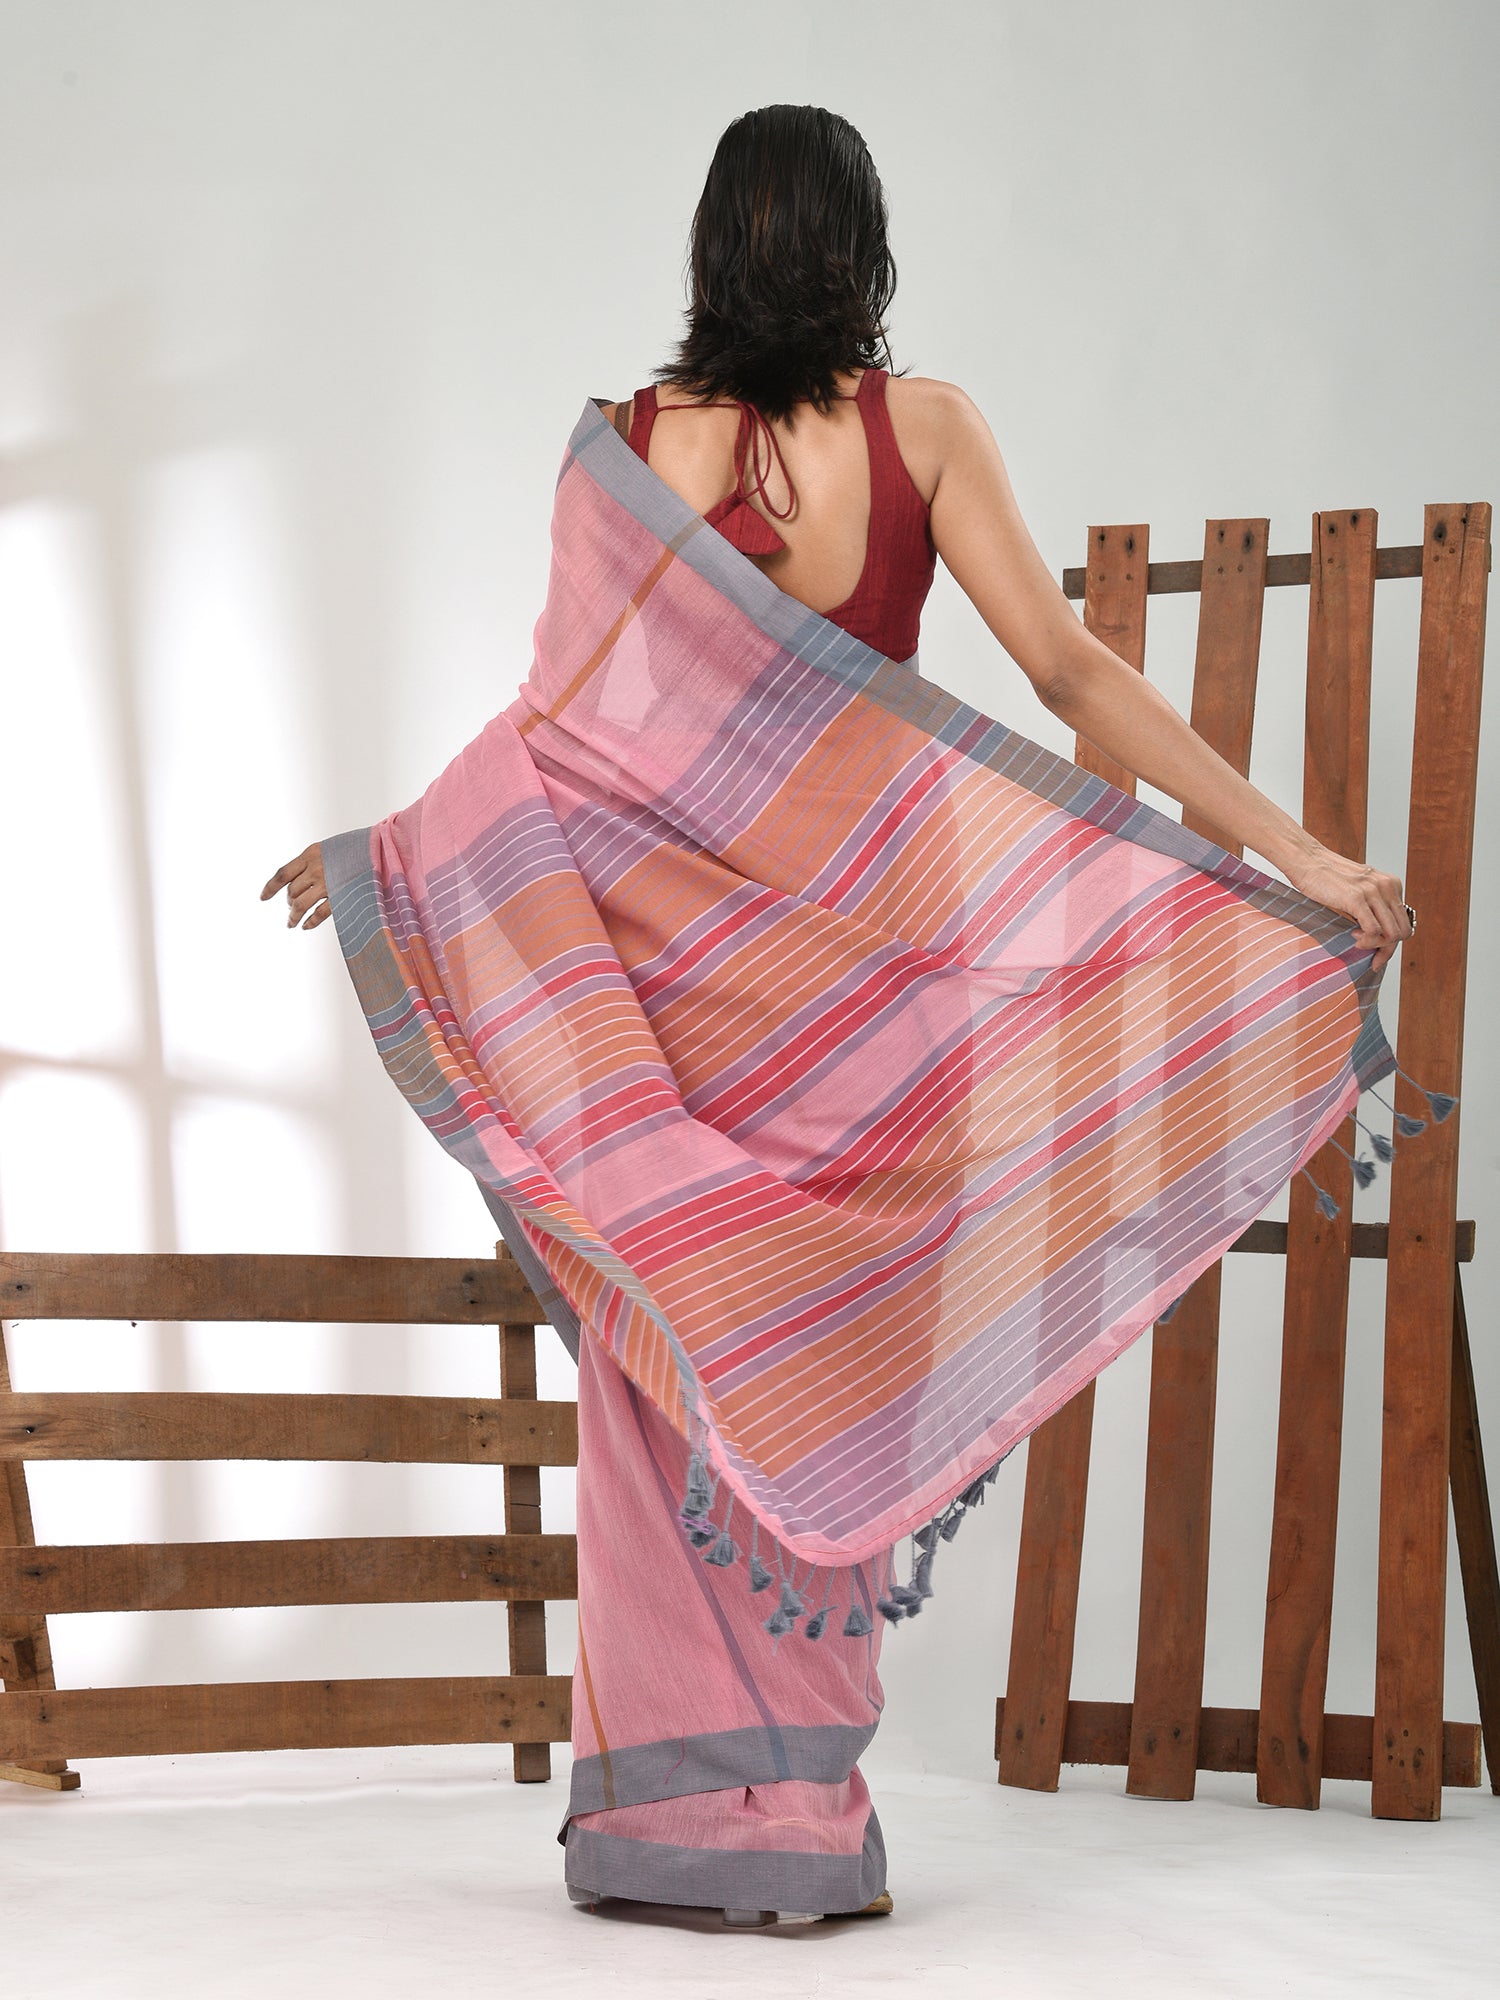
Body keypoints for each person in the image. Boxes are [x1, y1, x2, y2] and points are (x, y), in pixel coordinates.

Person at [261, 105, 1413, 1929]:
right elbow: (1069, 670)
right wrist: (1297, 853)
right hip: (879, 999)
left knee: (679, 1358)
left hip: (674, 1002)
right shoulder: (921, 427)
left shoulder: (637, 444)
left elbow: (549, 752)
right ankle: (792, 1819)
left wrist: (398, 854)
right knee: (837, 1352)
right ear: (862, 247)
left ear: (713, 245)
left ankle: (690, 1823)